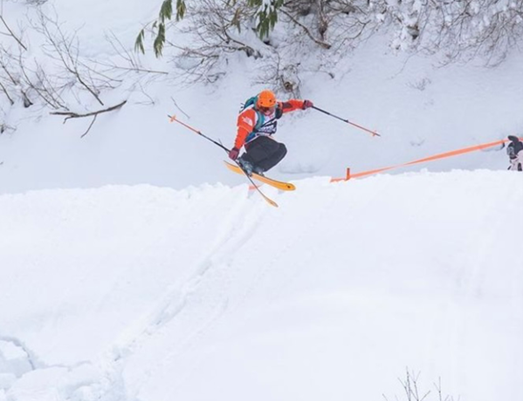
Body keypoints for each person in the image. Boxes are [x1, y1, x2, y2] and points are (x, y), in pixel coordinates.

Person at [228, 89, 313, 176]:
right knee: (272, 145)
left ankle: (259, 167)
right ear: (259, 106)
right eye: (264, 109)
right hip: (252, 142)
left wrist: (303, 104)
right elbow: (242, 132)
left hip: (265, 141)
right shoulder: (251, 113)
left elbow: (290, 105)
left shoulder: (276, 108)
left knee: (282, 149)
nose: (268, 111)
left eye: (270, 108)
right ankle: (246, 160)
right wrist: (236, 148)